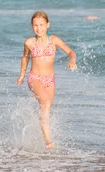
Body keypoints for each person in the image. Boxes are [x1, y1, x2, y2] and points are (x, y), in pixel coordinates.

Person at [16, 11, 77, 149]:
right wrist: (22, 75)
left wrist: (72, 61)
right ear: (32, 26)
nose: (39, 28)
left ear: (48, 25)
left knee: (46, 109)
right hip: (34, 78)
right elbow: (25, 58)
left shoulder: (54, 40)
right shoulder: (29, 42)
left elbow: (71, 52)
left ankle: (42, 138)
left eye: (42, 25)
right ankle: (48, 141)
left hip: (50, 80)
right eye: (35, 25)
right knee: (45, 102)